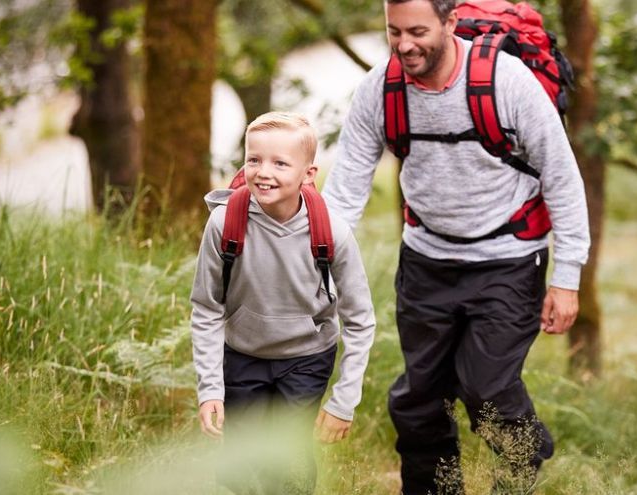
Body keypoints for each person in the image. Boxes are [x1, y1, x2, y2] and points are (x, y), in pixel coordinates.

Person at [321, 0, 590, 493]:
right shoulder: (380, 88)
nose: (405, 44)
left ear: (450, 23)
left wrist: (566, 278)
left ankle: (520, 471)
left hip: (507, 260)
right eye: (393, 31)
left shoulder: (506, 82)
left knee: (487, 390)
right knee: (420, 400)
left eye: (418, 30)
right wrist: (313, 267)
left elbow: (563, 178)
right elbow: (345, 192)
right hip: (426, 259)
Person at [190, 112, 376, 493]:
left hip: (307, 358)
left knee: (287, 465)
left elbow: (360, 320)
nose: (263, 172)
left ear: (309, 173)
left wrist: (344, 400)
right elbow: (207, 309)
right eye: (254, 159)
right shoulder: (224, 224)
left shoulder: (332, 232)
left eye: (280, 163)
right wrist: (210, 388)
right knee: (239, 465)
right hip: (243, 355)